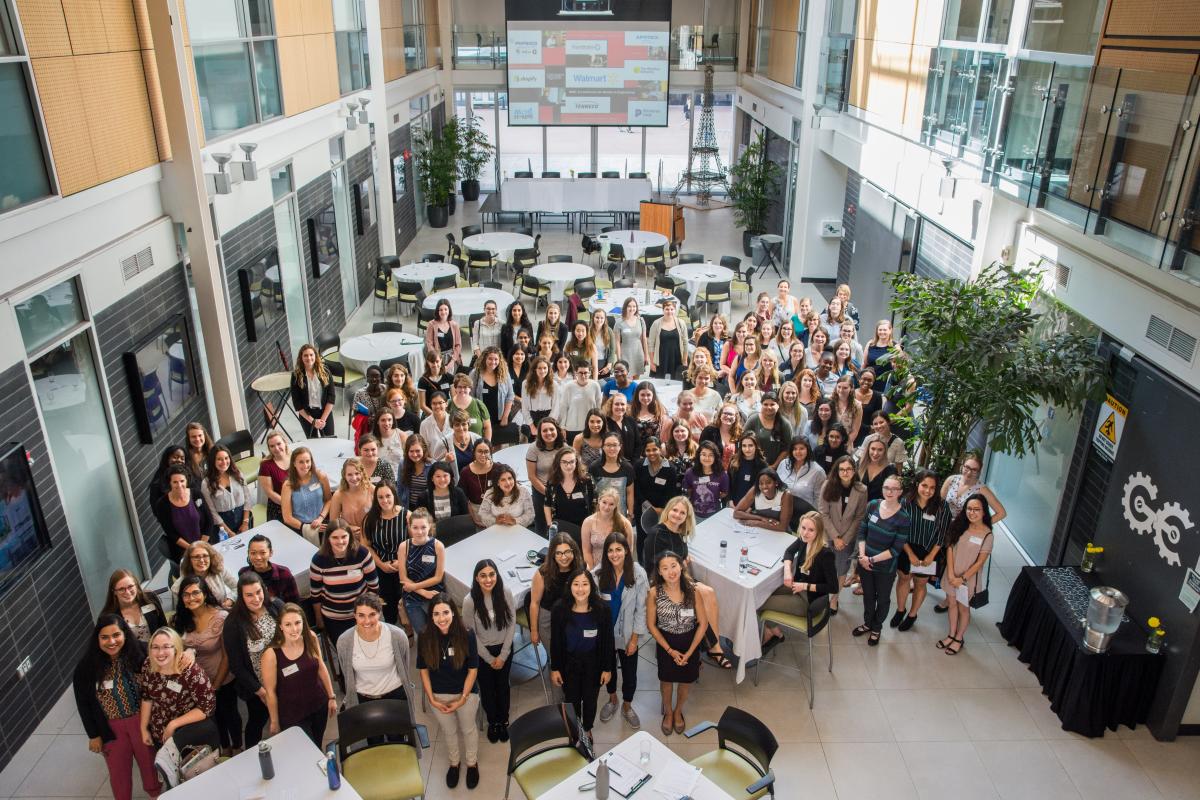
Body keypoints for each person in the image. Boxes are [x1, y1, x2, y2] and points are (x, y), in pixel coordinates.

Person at [75, 615, 162, 800]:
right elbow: (83, 704)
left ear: (125, 634)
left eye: (116, 635)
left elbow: (169, 652)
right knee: (118, 772)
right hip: (110, 728)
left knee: (149, 764)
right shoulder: (86, 667)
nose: (111, 641)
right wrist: (94, 735)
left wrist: (188, 653)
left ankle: (155, 795)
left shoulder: (141, 651)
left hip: (142, 722)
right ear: (96, 638)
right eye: (104, 637)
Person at [417, 594, 481, 789]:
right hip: (438, 696)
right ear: (431, 616)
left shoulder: (467, 634)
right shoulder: (424, 636)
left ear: (453, 612)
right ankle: (454, 764)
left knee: (468, 729)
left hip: (466, 694)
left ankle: (472, 763)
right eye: (436, 614)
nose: (441, 618)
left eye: (445, 612)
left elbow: (473, 670)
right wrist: (432, 699)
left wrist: (462, 699)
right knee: (449, 731)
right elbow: (423, 671)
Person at [173, 576, 240, 755]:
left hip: (223, 677)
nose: (191, 598)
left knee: (230, 714)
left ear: (204, 594)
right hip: (196, 683)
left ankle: (238, 746)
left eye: (195, 592)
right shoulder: (178, 621)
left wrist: (215, 686)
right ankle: (224, 748)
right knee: (212, 719)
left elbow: (227, 656)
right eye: (186, 594)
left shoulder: (221, 617)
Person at [550, 571, 614, 748]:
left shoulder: (602, 610)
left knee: (590, 698)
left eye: (585, 584)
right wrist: (555, 668)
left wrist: (607, 669)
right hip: (568, 664)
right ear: (569, 586)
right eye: (576, 584)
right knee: (571, 700)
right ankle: (575, 729)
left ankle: (587, 728)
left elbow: (608, 642)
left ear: (592, 587)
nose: (580, 589)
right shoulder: (559, 609)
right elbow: (555, 641)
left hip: (593, 663)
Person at [759, 511, 838, 650]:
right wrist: (788, 571)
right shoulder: (803, 540)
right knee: (761, 593)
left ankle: (771, 631)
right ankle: (773, 630)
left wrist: (805, 586)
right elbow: (789, 552)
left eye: (811, 530)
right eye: (803, 528)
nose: (805, 533)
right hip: (797, 587)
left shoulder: (826, 555)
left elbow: (833, 587)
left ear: (819, 532)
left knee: (759, 602)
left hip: (808, 600)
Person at [591, 532, 647, 730]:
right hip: (605, 636)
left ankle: (627, 705)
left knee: (630, 673)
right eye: (610, 550)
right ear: (606, 553)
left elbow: (642, 610)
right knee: (609, 670)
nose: (614, 554)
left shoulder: (639, 574)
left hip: (628, 633)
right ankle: (613, 700)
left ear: (627, 550)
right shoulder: (597, 574)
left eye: (619, 550)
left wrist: (634, 639)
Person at [647, 551, 706, 736]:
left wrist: (690, 653)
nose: (671, 571)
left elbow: (703, 623)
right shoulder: (654, 593)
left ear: (681, 566)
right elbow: (651, 625)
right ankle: (668, 711)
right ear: (659, 572)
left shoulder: (692, 590)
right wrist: (670, 650)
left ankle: (678, 710)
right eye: (665, 568)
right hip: (666, 643)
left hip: (690, 642)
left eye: (673, 565)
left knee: (685, 681)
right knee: (666, 680)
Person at [261, 603, 336, 745]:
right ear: (280, 626)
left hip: (318, 706)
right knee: (305, 753)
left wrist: (331, 696)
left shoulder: (311, 638)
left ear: (303, 622)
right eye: (288, 624)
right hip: (292, 715)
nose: (294, 629)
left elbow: (321, 667)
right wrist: (275, 721)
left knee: (317, 746)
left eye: (297, 623)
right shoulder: (271, 654)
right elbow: (270, 692)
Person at [223, 573, 283, 747]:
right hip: (257, 688)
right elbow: (236, 665)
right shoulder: (233, 623)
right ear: (241, 597)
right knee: (257, 722)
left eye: (258, 592)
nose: (256, 598)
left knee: (286, 719)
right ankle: (250, 756)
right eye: (249, 595)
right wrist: (261, 691)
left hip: (283, 678)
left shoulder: (276, 606)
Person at [462, 560, 516, 743]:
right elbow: (471, 634)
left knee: (503, 686)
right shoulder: (469, 601)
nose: (488, 579)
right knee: (487, 688)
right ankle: (493, 722)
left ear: (497, 575)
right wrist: (488, 657)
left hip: (504, 649)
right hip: (482, 652)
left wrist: (503, 655)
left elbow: (511, 624)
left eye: (492, 574)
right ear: (476, 578)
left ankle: (503, 720)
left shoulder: (505, 593)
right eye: (483, 575)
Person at [852, 475, 910, 645]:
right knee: (868, 596)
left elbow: (895, 549)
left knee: (883, 598)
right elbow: (862, 532)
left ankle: (876, 628)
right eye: (886, 488)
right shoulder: (873, 505)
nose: (889, 492)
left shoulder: (903, 517)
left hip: (885, 567)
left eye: (894, 489)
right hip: (865, 562)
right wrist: (863, 557)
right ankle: (868, 623)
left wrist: (871, 559)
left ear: (900, 492)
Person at [336, 593, 413, 714]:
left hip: (396, 697)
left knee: (397, 733)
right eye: (361, 615)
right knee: (370, 734)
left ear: (380, 613)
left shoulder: (397, 635)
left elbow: (404, 665)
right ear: (354, 615)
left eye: (372, 614)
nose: (367, 621)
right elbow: (347, 672)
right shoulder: (344, 641)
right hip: (363, 700)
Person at [138, 628, 215, 747]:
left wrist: (174, 724)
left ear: (176, 648)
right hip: (160, 735)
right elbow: (146, 697)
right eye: (155, 647)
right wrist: (143, 729)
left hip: (188, 735)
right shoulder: (148, 664)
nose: (160, 653)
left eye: (166, 646)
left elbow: (207, 708)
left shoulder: (191, 672)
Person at [892, 470, 948, 632]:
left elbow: (943, 534)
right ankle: (900, 610)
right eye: (924, 485)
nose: (927, 490)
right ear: (917, 484)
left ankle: (912, 614)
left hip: (930, 551)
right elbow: (898, 530)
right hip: (906, 547)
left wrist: (931, 556)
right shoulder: (904, 503)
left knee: (920, 583)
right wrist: (910, 554)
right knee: (903, 579)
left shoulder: (942, 506)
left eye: (932, 487)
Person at [939, 494, 994, 655]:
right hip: (951, 575)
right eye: (969, 509)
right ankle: (951, 634)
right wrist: (950, 574)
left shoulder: (987, 535)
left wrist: (961, 579)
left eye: (976, 509)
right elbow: (949, 547)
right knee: (952, 604)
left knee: (964, 608)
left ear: (984, 512)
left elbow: (979, 563)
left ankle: (959, 638)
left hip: (967, 580)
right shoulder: (958, 525)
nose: (972, 512)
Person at [310, 527, 379, 644]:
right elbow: (315, 593)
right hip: (334, 619)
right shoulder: (318, 560)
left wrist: (371, 613)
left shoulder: (362, 554)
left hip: (361, 616)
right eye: (335, 537)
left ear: (350, 537)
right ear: (327, 539)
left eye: (344, 537)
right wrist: (319, 618)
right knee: (344, 654)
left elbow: (373, 586)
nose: (340, 541)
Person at [818, 456, 868, 612]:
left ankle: (834, 599)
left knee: (841, 570)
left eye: (849, 469)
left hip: (847, 538)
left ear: (854, 470)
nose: (845, 472)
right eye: (842, 469)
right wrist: (835, 537)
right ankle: (821, 597)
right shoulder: (827, 485)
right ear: (837, 470)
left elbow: (859, 516)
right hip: (827, 535)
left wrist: (844, 539)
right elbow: (823, 512)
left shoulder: (861, 490)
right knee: (825, 568)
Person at [529, 533, 584, 651]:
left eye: (567, 552)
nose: (563, 557)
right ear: (553, 554)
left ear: (573, 551)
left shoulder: (580, 569)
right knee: (557, 658)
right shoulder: (543, 573)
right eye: (558, 553)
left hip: (572, 616)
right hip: (548, 620)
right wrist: (534, 631)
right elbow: (534, 603)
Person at [362, 481, 406, 625]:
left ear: (394, 495)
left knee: (404, 603)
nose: (385, 500)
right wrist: (381, 564)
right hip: (380, 568)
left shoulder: (406, 516)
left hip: (404, 567)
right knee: (387, 604)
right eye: (380, 497)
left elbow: (415, 543)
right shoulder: (370, 519)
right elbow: (366, 546)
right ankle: (391, 626)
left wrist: (401, 562)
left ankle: (408, 629)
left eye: (388, 496)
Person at [397, 509, 445, 634]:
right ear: (410, 527)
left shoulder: (438, 546)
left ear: (430, 526)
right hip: (412, 597)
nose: (419, 532)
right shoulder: (404, 547)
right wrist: (423, 592)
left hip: (434, 595)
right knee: (423, 633)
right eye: (415, 527)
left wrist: (414, 586)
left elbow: (438, 577)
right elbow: (403, 578)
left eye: (423, 527)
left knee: (440, 630)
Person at [160, 465, 215, 562]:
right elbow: (171, 534)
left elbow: (209, 521)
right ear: (170, 483)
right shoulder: (162, 504)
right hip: (183, 550)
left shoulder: (196, 494)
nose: (179, 485)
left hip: (205, 544)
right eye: (175, 482)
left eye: (182, 481)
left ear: (187, 481)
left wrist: (201, 545)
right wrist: (192, 548)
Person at [101, 569, 167, 645]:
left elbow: (164, 628)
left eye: (130, 586)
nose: (127, 592)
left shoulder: (150, 598)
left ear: (136, 585)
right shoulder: (109, 616)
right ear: (114, 592)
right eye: (121, 589)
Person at [280, 447, 332, 542]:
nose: (305, 465)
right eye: (301, 462)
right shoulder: (288, 485)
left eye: (308, 461)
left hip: (321, 522)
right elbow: (287, 517)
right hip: (299, 527)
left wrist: (320, 518)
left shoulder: (320, 476)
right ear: (294, 463)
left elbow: (329, 499)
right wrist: (307, 528)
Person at [527, 416, 567, 533]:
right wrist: (548, 493)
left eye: (551, 429)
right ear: (540, 433)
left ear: (557, 431)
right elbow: (532, 476)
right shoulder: (533, 449)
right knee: (542, 523)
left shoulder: (564, 448)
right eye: (544, 430)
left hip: (561, 490)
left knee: (559, 521)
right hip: (540, 491)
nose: (549, 433)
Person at [200, 445, 251, 539]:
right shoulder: (206, 483)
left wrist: (245, 523)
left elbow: (247, 498)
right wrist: (228, 532)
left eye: (226, 458)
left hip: (243, 518)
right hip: (222, 524)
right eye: (219, 459)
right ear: (212, 461)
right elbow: (212, 511)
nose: (224, 462)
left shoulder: (238, 473)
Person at [470, 346, 517, 445]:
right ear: (484, 359)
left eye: (496, 359)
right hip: (482, 417)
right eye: (490, 359)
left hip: (499, 417)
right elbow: (471, 397)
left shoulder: (504, 373)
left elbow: (510, 395)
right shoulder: (475, 374)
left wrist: (505, 417)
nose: (493, 362)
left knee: (498, 444)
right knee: (484, 445)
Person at [581, 487, 634, 569]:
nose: (606, 507)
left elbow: (629, 552)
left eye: (611, 504)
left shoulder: (625, 524)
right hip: (595, 568)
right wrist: (592, 573)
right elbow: (586, 551)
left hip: (617, 569)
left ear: (616, 505)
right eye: (604, 502)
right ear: (599, 501)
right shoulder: (588, 522)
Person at [239, 534, 300, 605]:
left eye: (262, 553)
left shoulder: (284, 573)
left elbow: (294, 604)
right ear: (248, 553)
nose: (258, 557)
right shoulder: (243, 573)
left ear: (271, 553)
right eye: (253, 553)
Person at [290, 344, 336, 438]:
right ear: (301, 358)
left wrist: (322, 420)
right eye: (305, 355)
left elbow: (331, 397)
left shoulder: (325, 372)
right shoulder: (296, 376)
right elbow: (297, 403)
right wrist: (313, 421)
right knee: (312, 443)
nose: (309, 358)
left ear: (315, 356)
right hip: (307, 415)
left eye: (311, 355)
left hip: (325, 413)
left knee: (330, 441)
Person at [171, 541, 238, 606]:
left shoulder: (218, 570)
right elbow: (182, 612)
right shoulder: (177, 588)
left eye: (205, 556)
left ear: (211, 557)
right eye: (196, 557)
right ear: (189, 560)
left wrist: (230, 600)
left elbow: (237, 587)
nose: (201, 560)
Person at [546, 447, 595, 534]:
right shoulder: (552, 482)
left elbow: (595, 503)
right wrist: (550, 526)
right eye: (564, 462)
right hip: (560, 528)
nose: (568, 466)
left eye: (572, 462)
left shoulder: (586, 480)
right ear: (558, 462)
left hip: (583, 528)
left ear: (577, 462)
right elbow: (547, 505)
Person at [589, 431, 636, 518]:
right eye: (608, 445)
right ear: (603, 446)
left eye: (614, 445)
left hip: (620, 515)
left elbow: (630, 493)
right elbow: (590, 493)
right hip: (599, 515)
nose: (611, 448)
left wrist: (630, 515)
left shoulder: (627, 468)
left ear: (620, 446)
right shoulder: (594, 467)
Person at [553, 359, 602, 440]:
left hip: (590, 428)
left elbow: (598, 408)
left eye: (586, 373)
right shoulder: (568, 386)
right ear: (576, 373)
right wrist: (562, 427)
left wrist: (598, 426)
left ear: (590, 373)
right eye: (580, 373)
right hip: (572, 428)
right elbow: (563, 408)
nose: (583, 376)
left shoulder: (595, 386)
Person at [733, 467, 794, 532]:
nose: (764, 486)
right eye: (761, 483)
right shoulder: (755, 490)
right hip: (762, 530)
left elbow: (782, 527)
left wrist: (756, 523)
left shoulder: (785, 495)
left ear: (776, 483)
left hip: (779, 532)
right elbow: (736, 513)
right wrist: (761, 518)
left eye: (768, 483)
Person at [777, 436, 826, 516]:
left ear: (808, 449)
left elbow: (819, 500)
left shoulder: (818, 471)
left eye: (801, 448)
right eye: (795, 449)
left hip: (804, 515)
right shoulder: (783, 464)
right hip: (781, 511)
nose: (798, 452)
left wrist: (813, 518)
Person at [329, 457, 374, 541]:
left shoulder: (372, 490)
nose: (354, 478)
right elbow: (333, 523)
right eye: (350, 474)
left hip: (371, 536)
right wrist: (348, 528)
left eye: (357, 473)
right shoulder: (338, 495)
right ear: (344, 476)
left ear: (362, 473)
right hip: (349, 539)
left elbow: (383, 515)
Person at [744, 390, 793, 466]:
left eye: (772, 404)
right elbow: (743, 440)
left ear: (778, 405)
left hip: (776, 467)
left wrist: (774, 466)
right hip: (753, 465)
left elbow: (787, 448)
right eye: (765, 404)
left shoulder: (785, 424)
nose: (769, 407)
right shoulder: (753, 420)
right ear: (761, 405)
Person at [682, 441, 728, 519]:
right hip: (694, 515)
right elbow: (688, 491)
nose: (707, 458)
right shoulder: (690, 473)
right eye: (703, 454)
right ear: (698, 455)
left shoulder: (722, 475)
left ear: (715, 457)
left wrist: (713, 498)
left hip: (715, 515)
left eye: (711, 455)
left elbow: (724, 493)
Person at [458, 439, 499, 524]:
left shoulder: (497, 468)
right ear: (474, 452)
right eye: (479, 451)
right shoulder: (465, 472)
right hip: (475, 512)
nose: (483, 455)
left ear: (491, 452)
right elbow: (463, 498)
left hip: (496, 510)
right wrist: (472, 517)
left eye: (486, 451)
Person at [647, 298, 688, 379]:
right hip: (661, 359)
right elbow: (651, 345)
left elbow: (685, 343)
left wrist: (685, 360)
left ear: (675, 310)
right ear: (663, 310)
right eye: (667, 309)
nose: (669, 311)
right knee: (660, 382)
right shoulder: (656, 324)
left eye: (672, 309)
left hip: (677, 358)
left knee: (677, 382)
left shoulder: (681, 323)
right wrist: (652, 363)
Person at [258, 432, 290, 523]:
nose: (276, 448)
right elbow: (270, 493)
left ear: (285, 442)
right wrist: (289, 504)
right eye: (272, 446)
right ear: (269, 448)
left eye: (279, 444)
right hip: (279, 506)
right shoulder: (265, 465)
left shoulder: (294, 458)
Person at [522, 356, 558, 438]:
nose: (542, 371)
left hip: (549, 418)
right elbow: (524, 407)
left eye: (545, 368)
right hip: (533, 419)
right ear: (535, 369)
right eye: (540, 368)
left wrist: (548, 425)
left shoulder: (554, 384)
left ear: (548, 369)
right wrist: (532, 427)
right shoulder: (525, 384)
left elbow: (556, 407)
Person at [728, 434, 768, 507]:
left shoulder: (762, 465)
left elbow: (763, 489)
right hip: (733, 504)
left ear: (756, 446)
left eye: (750, 445)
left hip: (752, 507)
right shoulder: (734, 460)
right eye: (744, 446)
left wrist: (751, 508)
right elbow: (729, 482)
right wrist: (730, 500)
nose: (747, 449)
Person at [699, 402, 742, 469]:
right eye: (725, 413)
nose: (727, 416)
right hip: (711, 471)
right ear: (720, 415)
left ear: (735, 417)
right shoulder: (709, 431)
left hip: (732, 473)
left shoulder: (739, 434)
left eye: (731, 414)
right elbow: (701, 451)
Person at [631, 382, 669, 457]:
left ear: (653, 396)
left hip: (655, 455)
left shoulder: (660, 413)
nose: (645, 398)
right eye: (642, 395)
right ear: (637, 395)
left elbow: (666, 436)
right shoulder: (631, 413)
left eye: (648, 395)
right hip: (636, 455)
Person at [398, 434, 435, 510]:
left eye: (418, 451)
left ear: (424, 450)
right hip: (408, 506)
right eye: (411, 451)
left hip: (426, 506)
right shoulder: (403, 464)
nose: (414, 454)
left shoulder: (432, 465)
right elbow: (400, 488)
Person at [425, 298, 463, 373]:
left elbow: (458, 345)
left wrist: (451, 362)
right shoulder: (431, 324)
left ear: (449, 311)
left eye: (446, 309)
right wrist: (438, 361)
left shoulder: (454, 325)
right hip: (437, 359)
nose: (443, 312)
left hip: (452, 358)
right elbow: (429, 344)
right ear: (437, 311)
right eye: (441, 310)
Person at [614, 296, 649, 378]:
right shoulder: (619, 322)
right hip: (625, 354)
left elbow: (644, 339)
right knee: (626, 378)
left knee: (637, 379)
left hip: (638, 353)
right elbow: (617, 342)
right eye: (629, 306)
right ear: (625, 307)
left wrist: (646, 356)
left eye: (634, 306)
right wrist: (619, 359)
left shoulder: (641, 320)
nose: (632, 308)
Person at [450, 373, 492, 440]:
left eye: (465, 387)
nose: (462, 390)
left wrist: (487, 445)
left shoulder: (479, 404)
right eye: (460, 387)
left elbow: (487, 427)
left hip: (476, 447)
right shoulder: (448, 405)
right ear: (455, 388)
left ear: (470, 389)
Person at [602, 392, 638, 461]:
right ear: (611, 405)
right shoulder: (605, 422)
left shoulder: (631, 421)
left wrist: (634, 461)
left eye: (622, 404)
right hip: (612, 463)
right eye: (616, 404)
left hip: (631, 464)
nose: (620, 407)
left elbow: (638, 444)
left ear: (626, 406)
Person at [370, 412, 406, 476]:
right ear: (377, 422)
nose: (387, 423)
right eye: (383, 420)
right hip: (378, 478)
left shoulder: (401, 435)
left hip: (400, 477)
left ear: (393, 421)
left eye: (389, 420)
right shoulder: (371, 438)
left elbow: (408, 457)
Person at [831, 375, 863, 444]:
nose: (841, 390)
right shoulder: (830, 401)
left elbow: (855, 430)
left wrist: (845, 444)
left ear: (851, 388)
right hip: (829, 441)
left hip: (846, 442)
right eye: (839, 387)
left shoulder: (857, 405)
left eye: (845, 388)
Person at [471, 299, 503, 367]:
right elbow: (475, 344)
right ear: (484, 309)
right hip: (482, 359)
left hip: (497, 360)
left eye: (493, 309)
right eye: (488, 309)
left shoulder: (502, 324)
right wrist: (482, 359)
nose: (491, 311)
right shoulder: (477, 323)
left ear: (496, 310)